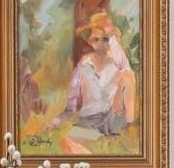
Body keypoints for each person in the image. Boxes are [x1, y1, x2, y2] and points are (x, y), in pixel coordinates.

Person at [47, 11, 137, 149]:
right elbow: (71, 106)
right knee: (67, 143)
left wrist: (110, 33)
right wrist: (55, 122)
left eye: (105, 39)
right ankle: (96, 165)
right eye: (96, 39)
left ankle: (129, 129)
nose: (101, 43)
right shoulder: (83, 66)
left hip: (111, 119)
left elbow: (128, 75)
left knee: (127, 77)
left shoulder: (117, 62)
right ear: (89, 41)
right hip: (89, 122)